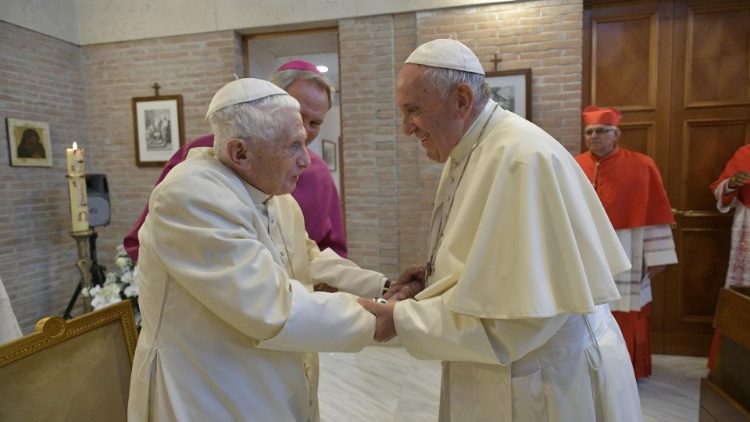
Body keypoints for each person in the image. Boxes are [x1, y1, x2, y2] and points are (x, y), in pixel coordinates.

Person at [360, 39, 642, 421]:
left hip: (545, 382)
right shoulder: (470, 149)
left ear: (461, 100)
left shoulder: (522, 160)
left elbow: (521, 319)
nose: (406, 128)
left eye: (413, 110)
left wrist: (401, 319)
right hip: (504, 372)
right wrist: (429, 285)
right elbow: (489, 271)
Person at [127, 78, 421, 421]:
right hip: (207, 389)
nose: (306, 161)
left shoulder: (271, 192)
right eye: (294, 146)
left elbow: (307, 258)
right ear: (241, 153)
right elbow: (270, 305)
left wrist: (381, 287)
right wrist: (379, 318)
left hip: (263, 379)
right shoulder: (190, 195)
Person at [123, 59, 347, 262]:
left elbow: (325, 252)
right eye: (297, 114)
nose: (305, 130)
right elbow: (154, 240)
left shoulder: (317, 172)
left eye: (315, 123)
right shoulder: (199, 155)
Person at [575, 105, 678, 379]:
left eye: (601, 131)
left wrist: (657, 257)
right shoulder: (575, 165)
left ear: (616, 133)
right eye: (589, 132)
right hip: (587, 251)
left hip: (629, 248)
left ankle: (628, 370)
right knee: (587, 311)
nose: (594, 136)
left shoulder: (642, 165)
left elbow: (656, 211)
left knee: (628, 312)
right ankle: (592, 369)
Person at [706, 145, 750, 367]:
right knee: (742, 297)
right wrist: (733, 183)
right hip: (748, 231)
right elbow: (720, 189)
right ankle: (734, 365)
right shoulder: (745, 153)